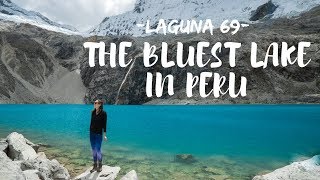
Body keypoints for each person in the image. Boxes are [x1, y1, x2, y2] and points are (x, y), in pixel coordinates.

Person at [89, 99, 107, 173]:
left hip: (99, 134)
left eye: (96, 103)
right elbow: (91, 122)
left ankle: (100, 165)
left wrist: (105, 135)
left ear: (100, 104)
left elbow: (104, 125)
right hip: (92, 134)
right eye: (94, 103)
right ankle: (95, 166)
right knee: (93, 150)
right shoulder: (93, 112)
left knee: (98, 150)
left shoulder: (103, 113)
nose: (95, 104)